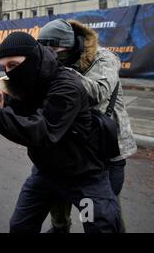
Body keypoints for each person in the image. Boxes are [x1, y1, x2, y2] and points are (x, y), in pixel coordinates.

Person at [0, 32, 122, 233]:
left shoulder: (67, 86)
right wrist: (3, 104)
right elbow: (28, 108)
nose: (10, 72)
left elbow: (41, 131)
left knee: (100, 227)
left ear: (33, 58)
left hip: (83, 176)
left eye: (14, 65)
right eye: (5, 68)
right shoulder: (33, 80)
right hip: (46, 172)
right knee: (20, 226)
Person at [37, 19, 137, 233]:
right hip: (72, 146)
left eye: (54, 50)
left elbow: (97, 92)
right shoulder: (60, 61)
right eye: (46, 52)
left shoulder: (105, 58)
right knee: (57, 192)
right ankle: (60, 227)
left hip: (106, 149)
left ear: (72, 45)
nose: (50, 56)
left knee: (100, 211)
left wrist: (56, 72)